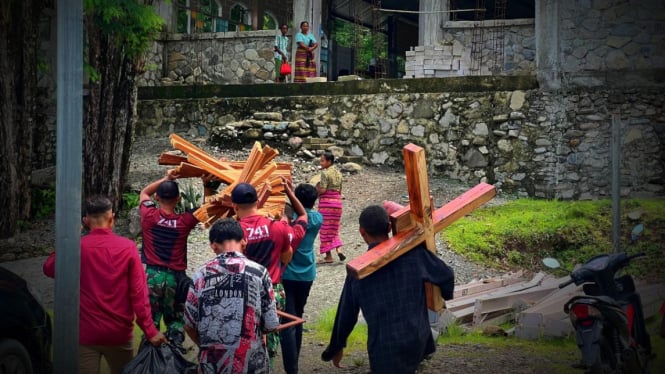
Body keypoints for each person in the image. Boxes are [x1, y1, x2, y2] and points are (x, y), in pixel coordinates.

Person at [321, 205, 455, 374]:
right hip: (417, 338)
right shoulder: (414, 254)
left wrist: (336, 347)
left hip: (385, 346)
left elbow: (346, 314)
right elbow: (446, 275)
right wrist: (441, 301)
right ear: (389, 227)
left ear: (361, 232)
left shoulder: (359, 271)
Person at [43, 196, 167, 374]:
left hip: (85, 333)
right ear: (112, 218)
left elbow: (49, 268)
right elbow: (139, 294)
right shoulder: (128, 247)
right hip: (118, 332)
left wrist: (68, 239)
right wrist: (150, 330)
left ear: (86, 221)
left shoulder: (77, 247)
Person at [184, 218, 279, 374]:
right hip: (251, 365)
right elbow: (271, 324)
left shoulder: (200, 275)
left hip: (212, 365)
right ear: (244, 241)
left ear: (213, 246)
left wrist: (206, 347)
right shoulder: (259, 273)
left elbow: (189, 324)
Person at [231, 179, 308, 365]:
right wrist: (290, 192)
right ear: (258, 202)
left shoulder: (233, 233)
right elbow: (287, 255)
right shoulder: (278, 227)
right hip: (272, 292)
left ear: (234, 206)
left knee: (241, 340)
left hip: (243, 294)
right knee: (269, 342)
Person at [139, 169, 200, 347]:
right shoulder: (184, 221)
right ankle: (175, 358)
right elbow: (204, 209)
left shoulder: (148, 215)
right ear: (178, 199)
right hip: (176, 279)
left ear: (157, 197)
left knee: (151, 323)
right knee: (175, 322)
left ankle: (147, 361)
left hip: (152, 278)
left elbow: (144, 192)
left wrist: (166, 178)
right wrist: (206, 185)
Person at [280, 184, 323, 374]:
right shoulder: (317, 218)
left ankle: (292, 369)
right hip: (307, 274)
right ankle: (295, 359)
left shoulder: (290, 220)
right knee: (297, 316)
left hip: (287, 273)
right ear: (314, 201)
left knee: (287, 320)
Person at [316, 151, 345, 263]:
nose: (321, 163)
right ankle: (339, 250)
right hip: (337, 203)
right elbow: (340, 190)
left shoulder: (325, 173)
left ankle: (328, 256)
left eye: (323, 161)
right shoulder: (339, 173)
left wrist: (316, 190)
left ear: (329, 161)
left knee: (325, 229)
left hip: (326, 204)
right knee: (334, 228)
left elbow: (323, 189)